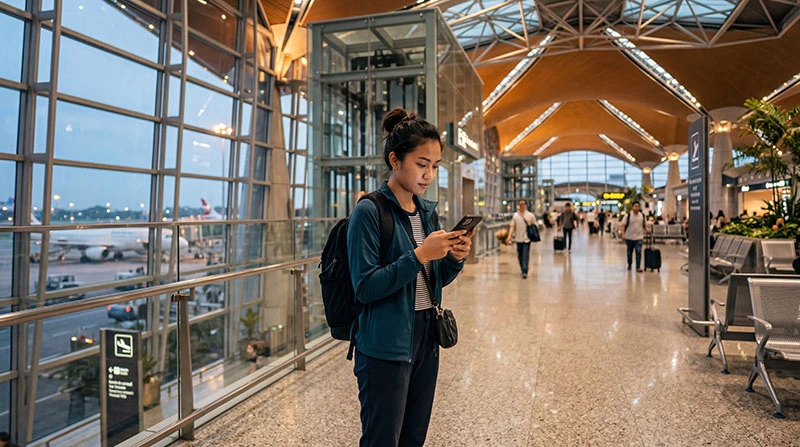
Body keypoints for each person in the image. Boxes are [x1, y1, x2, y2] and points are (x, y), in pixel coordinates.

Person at [347, 108, 474, 447]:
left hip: (425, 338)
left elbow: (430, 281)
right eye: (421, 164)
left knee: (413, 436)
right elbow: (365, 286)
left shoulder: (426, 213)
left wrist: (453, 260)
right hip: (384, 344)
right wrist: (419, 255)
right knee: (382, 438)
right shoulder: (369, 212)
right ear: (395, 159)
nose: (428, 175)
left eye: (435, 166)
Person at [505, 200, 536, 278]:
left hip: (527, 238)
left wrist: (529, 224)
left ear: (526, 205)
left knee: (526, 254)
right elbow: (512, 226)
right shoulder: (515, 215)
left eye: (523, 204)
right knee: (520, 254)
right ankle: (522, 268)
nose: (521, 206)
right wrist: (509, 236)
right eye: (520, 204)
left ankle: (525, 270)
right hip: (518, 238)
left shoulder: (530, 215)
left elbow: (535, 226)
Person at [621, 202, 649, 272]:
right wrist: (623, 234)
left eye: (638, 206)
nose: (637, 208)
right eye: (635, 206)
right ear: (632, 207)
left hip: (639, 237)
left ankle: (638, 267)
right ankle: (630, 264)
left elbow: (644, 225)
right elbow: (623, 225)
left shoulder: (642, 216)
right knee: (629, 252)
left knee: (638, 251)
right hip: (629, 237)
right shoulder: (628, 215)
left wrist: (647, 229)